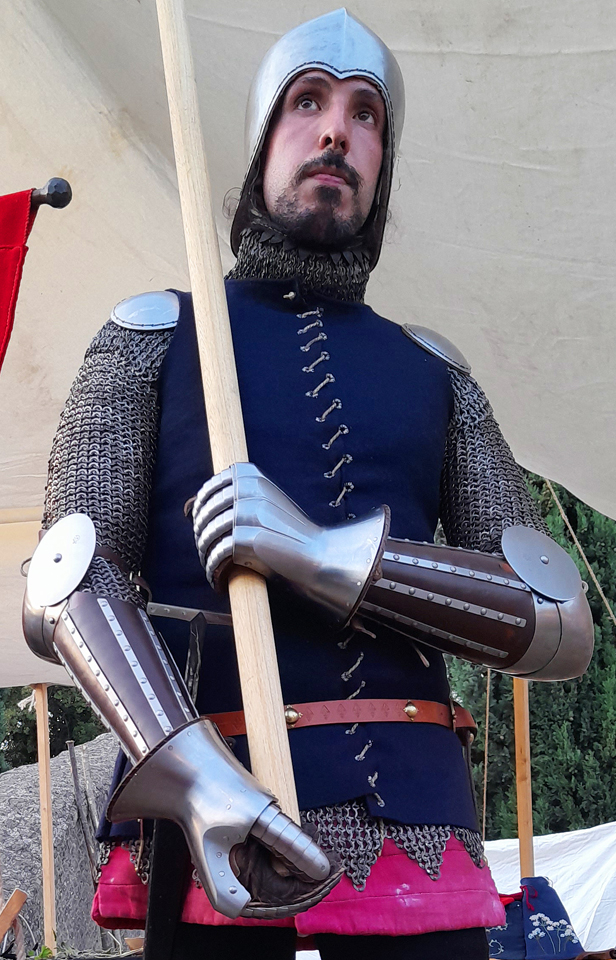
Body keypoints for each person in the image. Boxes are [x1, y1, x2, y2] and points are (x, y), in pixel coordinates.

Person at [23, 9, 593, 959]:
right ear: (258, 144)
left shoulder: (435, 372)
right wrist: (193, 774)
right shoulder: (152, 334)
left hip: (417, 841)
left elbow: (558, 619)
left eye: (366, 113)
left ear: (384, 160)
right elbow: (66, 580)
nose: (337, 130)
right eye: (308, 102)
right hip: (216, 831)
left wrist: (322, 554)